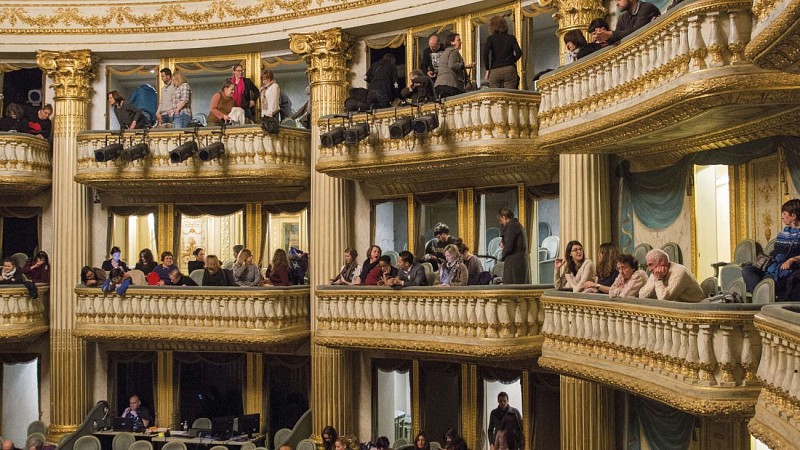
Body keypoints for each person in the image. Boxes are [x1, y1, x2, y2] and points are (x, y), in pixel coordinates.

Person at [742, 199, 800, 300]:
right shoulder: (784, 232)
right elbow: (776, 251)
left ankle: (763, 298)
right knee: (747, 270)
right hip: (772, 265)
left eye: (784, 213)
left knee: (768, 280)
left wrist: (792, 259)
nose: (782, 216)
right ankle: (760, 297)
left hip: (788, 268)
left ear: (793, 216)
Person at [638, 249, 704, 302]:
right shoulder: (656, 273)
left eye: (650, 265)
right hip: (678, 308)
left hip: (695, 308)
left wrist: (658, 279)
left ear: (661, 261)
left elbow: (664, 299)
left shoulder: (680, 271)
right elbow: (641, 296)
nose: (649, 270)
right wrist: (656, 279)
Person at [592, 0, 661, 44]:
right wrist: (603, 38)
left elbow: (637, 31)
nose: (617, 4)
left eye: (618, 0)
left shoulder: (647, 8)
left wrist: (610, 34)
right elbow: (618, 36)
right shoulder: (622, 18)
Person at [482, 15, 522, 89]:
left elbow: (485, 54)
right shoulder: (511, 38)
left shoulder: (491, 39)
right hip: (509, 69)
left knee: (496, 96)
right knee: (510, 95)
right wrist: (511, 60)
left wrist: (487, 69)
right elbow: (519, 52)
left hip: (495, 70)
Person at [434, 33, 475, 99]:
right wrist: (465, 66)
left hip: (439, 85)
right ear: (452, 42)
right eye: (458, 40)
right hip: (449, 85)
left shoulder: (444, 53)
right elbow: (452, 65)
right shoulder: (453, 51)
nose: (461, 42)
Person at [498, 208, 528, 284]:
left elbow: (509, 246)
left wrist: (502, 255)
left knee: (512, 288)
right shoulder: (516, 225)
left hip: (514, 263)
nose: (501, 223)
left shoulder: (512, 226)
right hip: (518, 261)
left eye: (501, 220)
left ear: (504, 217)